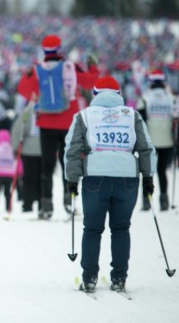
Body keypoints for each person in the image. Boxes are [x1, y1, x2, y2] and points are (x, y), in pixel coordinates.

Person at [64, 76, 156, 293]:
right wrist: (149, 176)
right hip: (127, 178)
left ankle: (89, 278)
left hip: (96, 176)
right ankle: (119, 278)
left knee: (92, 229)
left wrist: (71, 180)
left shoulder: (84, 116)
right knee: (121, 229)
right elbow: (146, 147)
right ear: (118, 95)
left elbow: (73, 149)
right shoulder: (131, 115)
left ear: (95, 95)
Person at [17, 34, 99, 219]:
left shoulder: (38, 69)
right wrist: (93, 65)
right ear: (60, 48)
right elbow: (91, 82)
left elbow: (22, 89)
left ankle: (46, 205)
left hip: (45, 122)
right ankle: (69, 201)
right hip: (68, 121)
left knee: (47, 165)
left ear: (44, 50)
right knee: (68, 162)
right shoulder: (70, 67)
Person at [136, 69, 178, 211]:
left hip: (150, 141)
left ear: (151, 82)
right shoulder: (171, 98)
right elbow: (176, 119)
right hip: (167, 141)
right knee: (162, 170)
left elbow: (139, 119)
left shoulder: (145, 97)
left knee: (148, 171)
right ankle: (164, 200)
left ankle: (147, 200)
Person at [10, 103, 42, 212]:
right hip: (45, 147)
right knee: (43, 177)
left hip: (29, 149)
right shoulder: (49, 108)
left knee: (28, 178)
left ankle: (28, 203)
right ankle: (43, 203)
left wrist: (15, 146)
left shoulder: (27, 111)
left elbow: (19, 128)